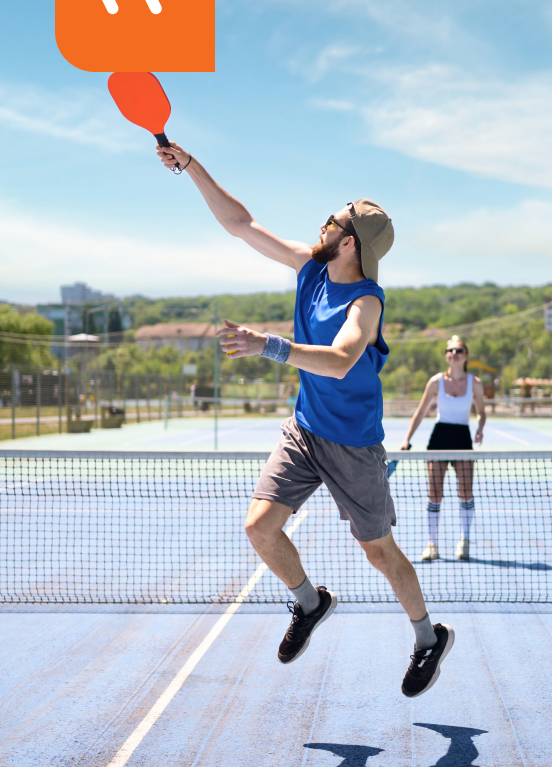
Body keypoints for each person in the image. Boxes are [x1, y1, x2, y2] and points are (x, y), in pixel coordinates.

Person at [156, 143, 454, 699]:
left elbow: (341, 361)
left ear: (349, 243)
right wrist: (191, 166)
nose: (322, 221)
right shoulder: (310, 268)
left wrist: (267, 344)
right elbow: (240, 223)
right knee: (258, 527)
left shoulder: (367, 302)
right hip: (304, 430)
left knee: (379, 552)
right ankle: (310, 602)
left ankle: (426, 637)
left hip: (354, 446)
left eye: (334, 220)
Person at [400, 336, 486, 561]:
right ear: (447, 355)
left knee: (465, 492)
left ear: (466, 355)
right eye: (450, 350)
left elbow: (481, 411)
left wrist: (480, 427)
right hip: (439, 438)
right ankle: (432, 544)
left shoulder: (474, 383)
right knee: (434, 493)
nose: (454, 354)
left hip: (462, 439)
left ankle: (464, 541)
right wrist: (407, 439)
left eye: (458, 350)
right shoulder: (436, 382)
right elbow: (420, 412)